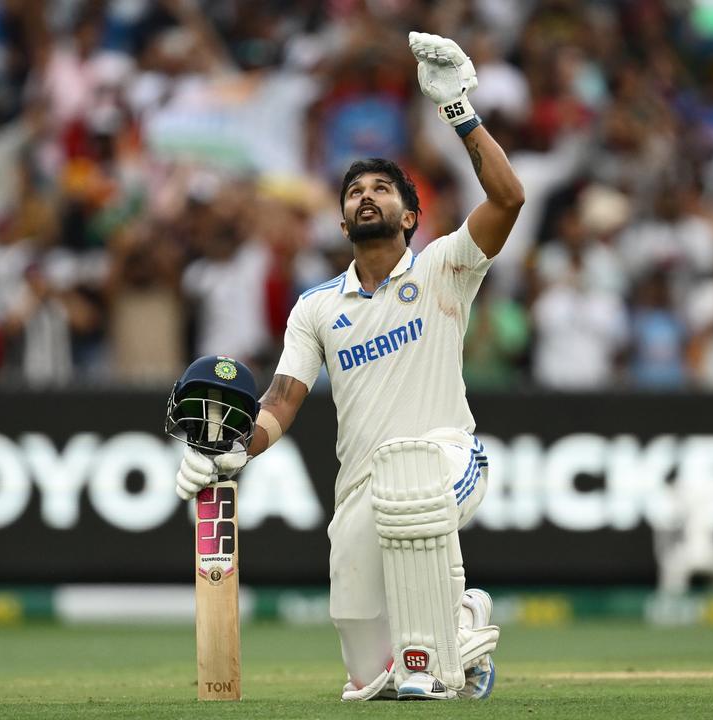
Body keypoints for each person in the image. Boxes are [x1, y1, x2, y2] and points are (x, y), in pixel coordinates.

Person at [171, 32, 523, 701]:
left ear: (411, 215)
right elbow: (281, 398)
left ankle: (442, 636)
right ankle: (461, 624)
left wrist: (460, 113)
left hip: (447, 458)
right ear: (339, 222)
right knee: (372, 675)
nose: (367, 196)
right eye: (355, 190)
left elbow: (507, 201)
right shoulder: (317, 308)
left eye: (383, 189)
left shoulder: (445, 268)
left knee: (409, 502)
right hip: (361, 491)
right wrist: (233, 453)